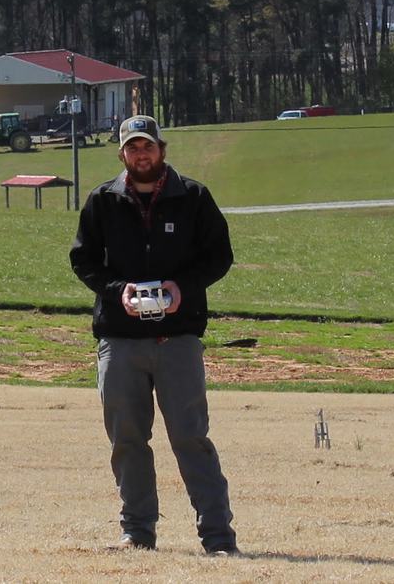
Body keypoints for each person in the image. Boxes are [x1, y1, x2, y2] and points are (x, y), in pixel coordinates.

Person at [69, 114, 239, 556]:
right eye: (132, 147)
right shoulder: (103, 200)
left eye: (148, 146)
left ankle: (218, 538)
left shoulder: (194, 197)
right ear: (122, 154)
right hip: (120, 341)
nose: (141, 154)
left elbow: (220, 256)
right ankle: (137, 533)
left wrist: (184, 287)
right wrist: (116, 290)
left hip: (178, 339)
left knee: (190, 437)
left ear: (162, 149)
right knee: (127, 440)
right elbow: (83, 259)